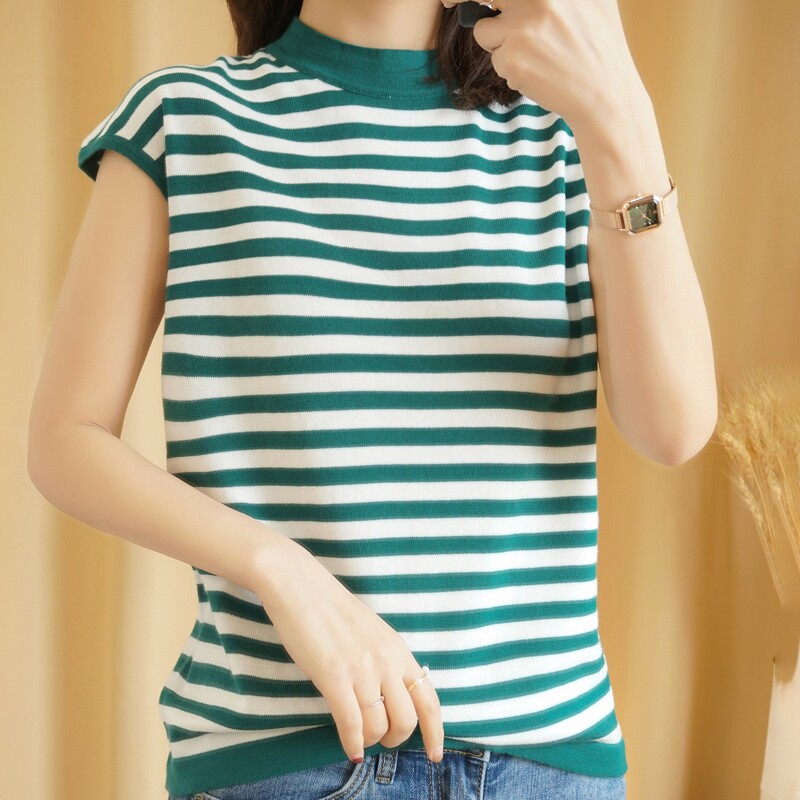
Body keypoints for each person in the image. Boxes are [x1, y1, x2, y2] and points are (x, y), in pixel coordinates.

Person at [28, 0, 717, 798]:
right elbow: (66, 438)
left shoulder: (567, 139)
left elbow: (673, 429)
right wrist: (279, 568)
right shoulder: (182, 120)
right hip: (285, 759)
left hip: (549, 763)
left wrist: (621, 112)